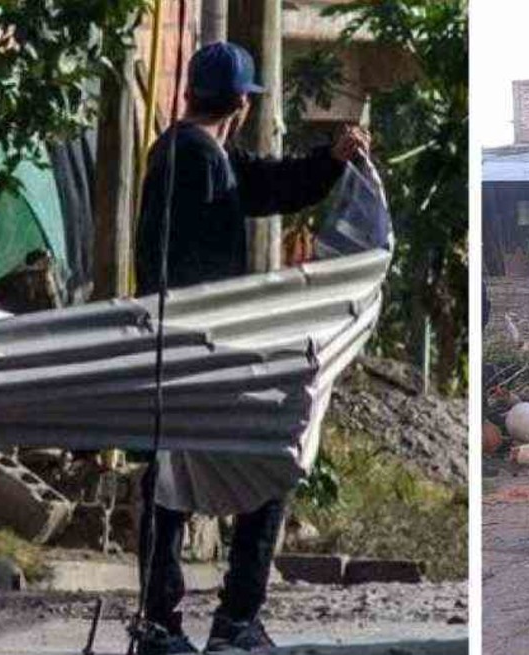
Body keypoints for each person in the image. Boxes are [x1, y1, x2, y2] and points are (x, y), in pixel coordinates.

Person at [133, 41, 369, 655]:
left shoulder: (196, 153)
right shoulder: (193, 158)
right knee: (265, 463)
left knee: (173, 482)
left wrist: (329, 162)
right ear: (242, 103)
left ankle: (169, 623)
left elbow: (267, 184)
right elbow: (216, 237)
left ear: (191, 93)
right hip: (199, 349)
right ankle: (223, 620)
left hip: (183, 347)